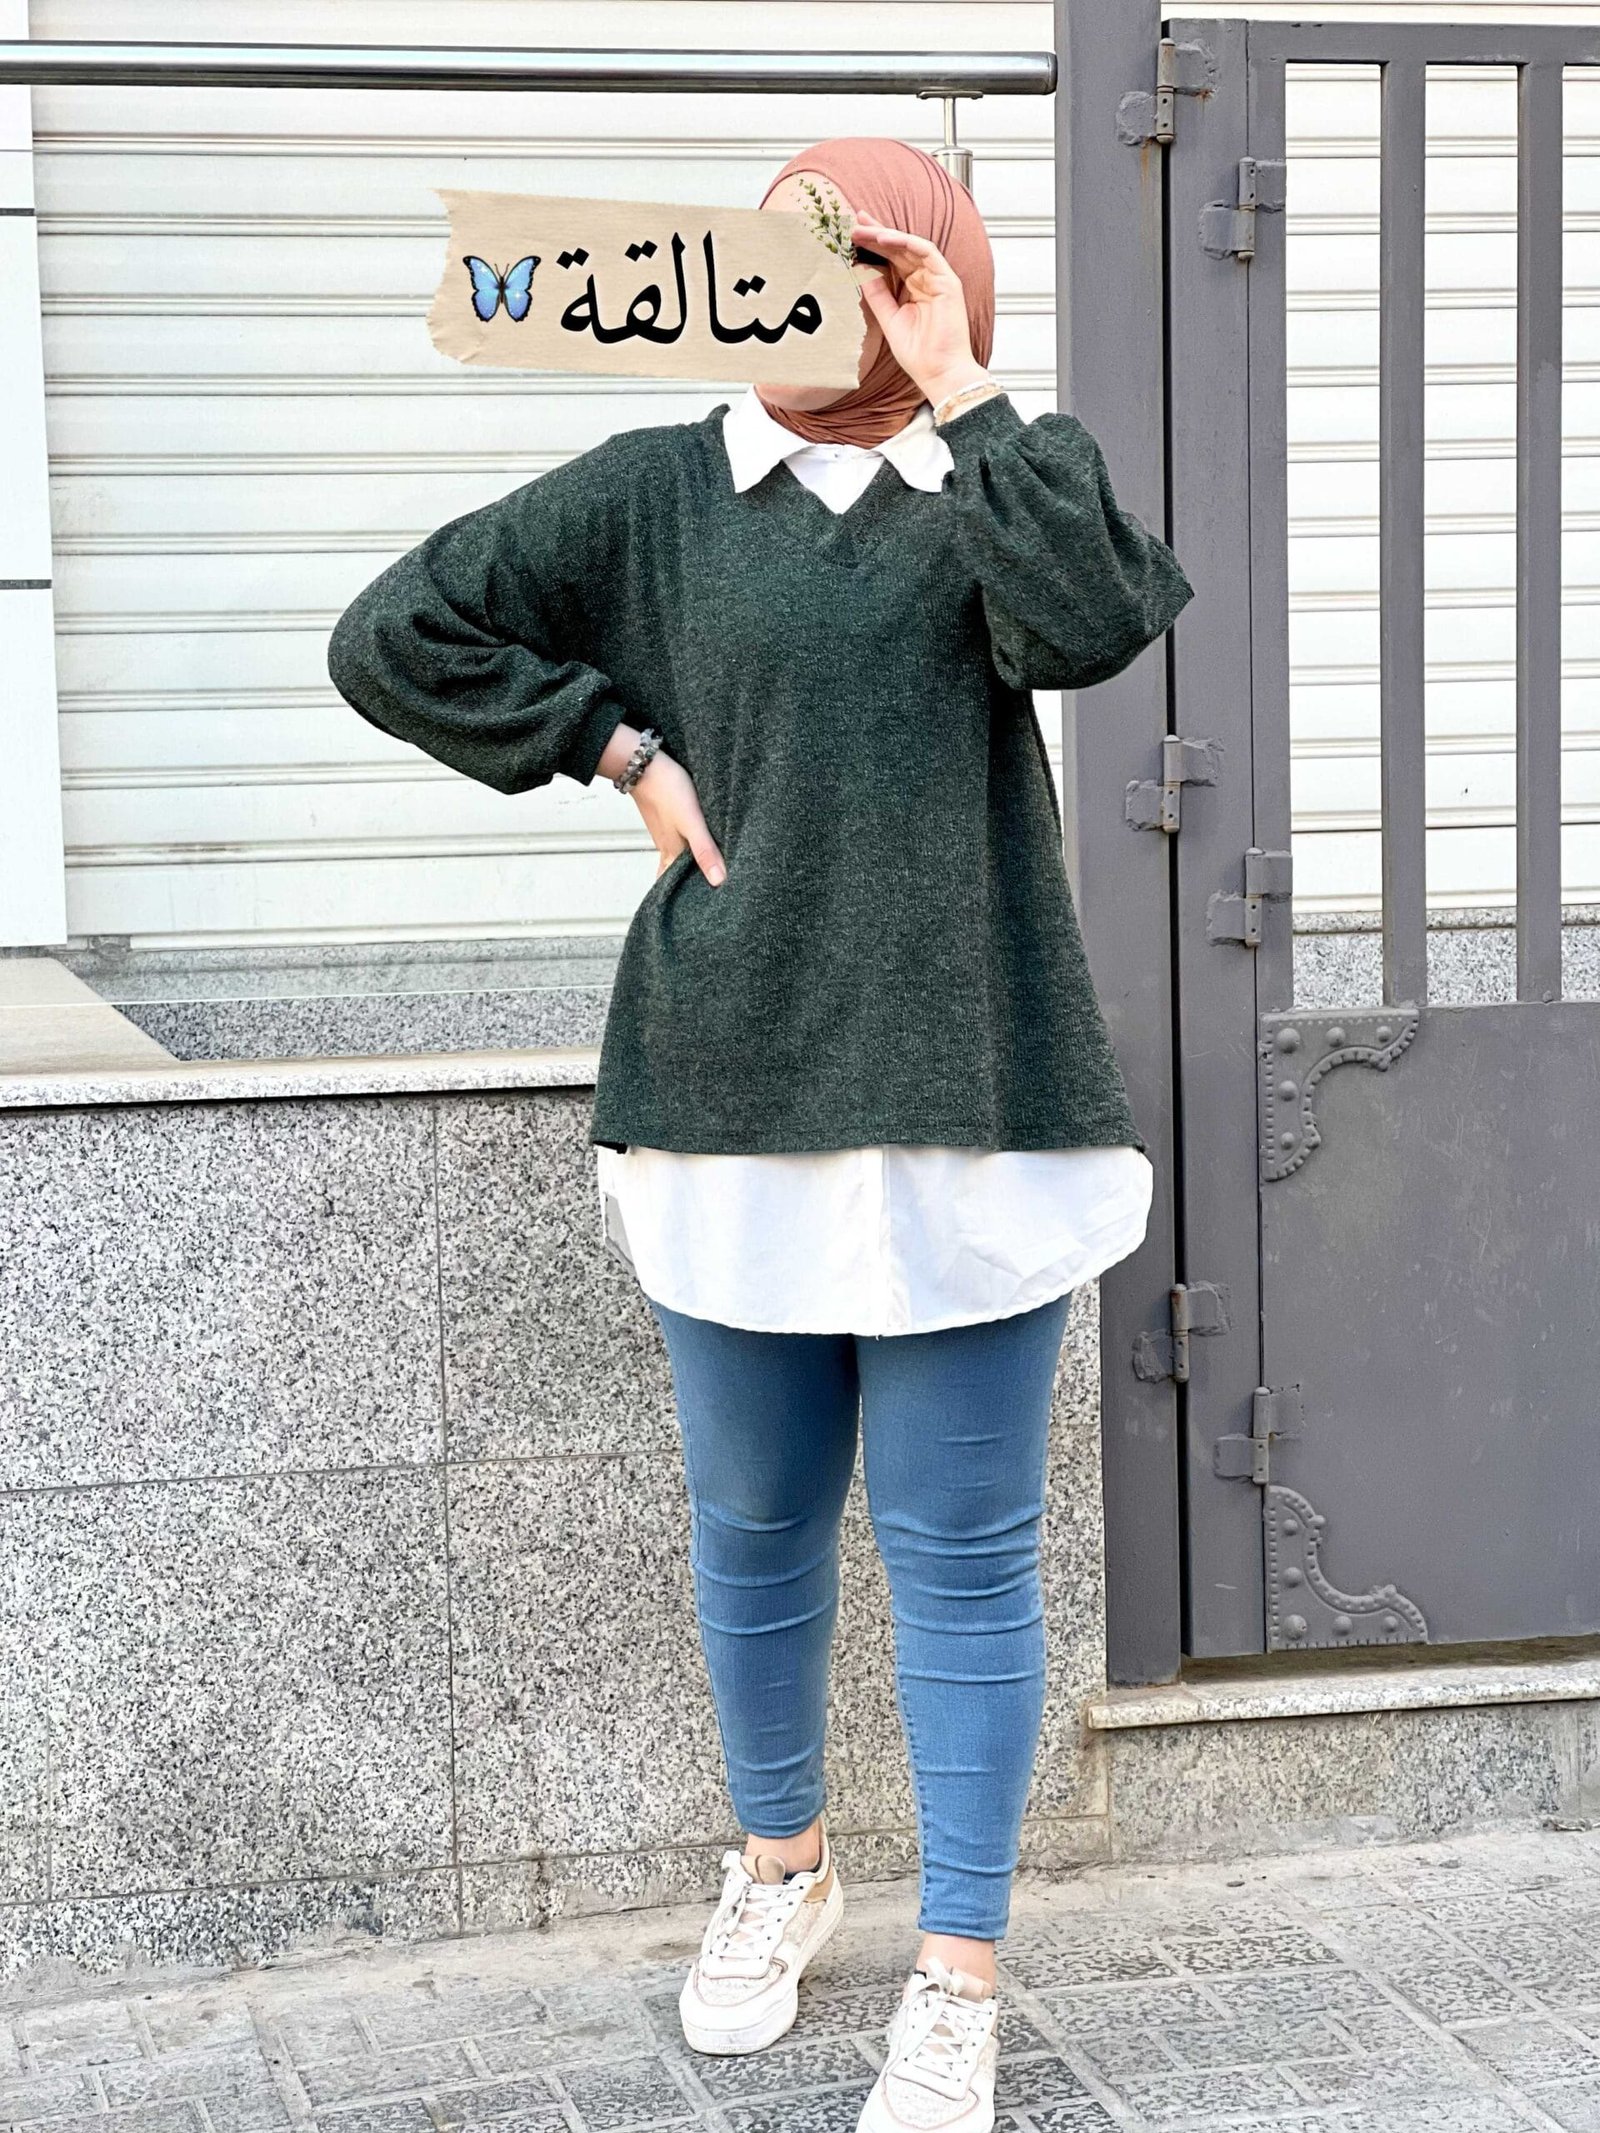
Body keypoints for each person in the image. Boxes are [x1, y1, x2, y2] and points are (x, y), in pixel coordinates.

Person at [327, 133, 1193, 2133]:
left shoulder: (988, 486)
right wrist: (610, 744)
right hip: (724, 1085)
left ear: (934, 274)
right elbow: (394, 633)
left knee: (961, 1551)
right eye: (786, 250)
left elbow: (1091, 624)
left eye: (866, 260)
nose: (817, 292)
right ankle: (781, 1869)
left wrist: (959, 382)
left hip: (969, 1095)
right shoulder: (656, 491)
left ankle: (958, 1972)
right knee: (755, 1524)